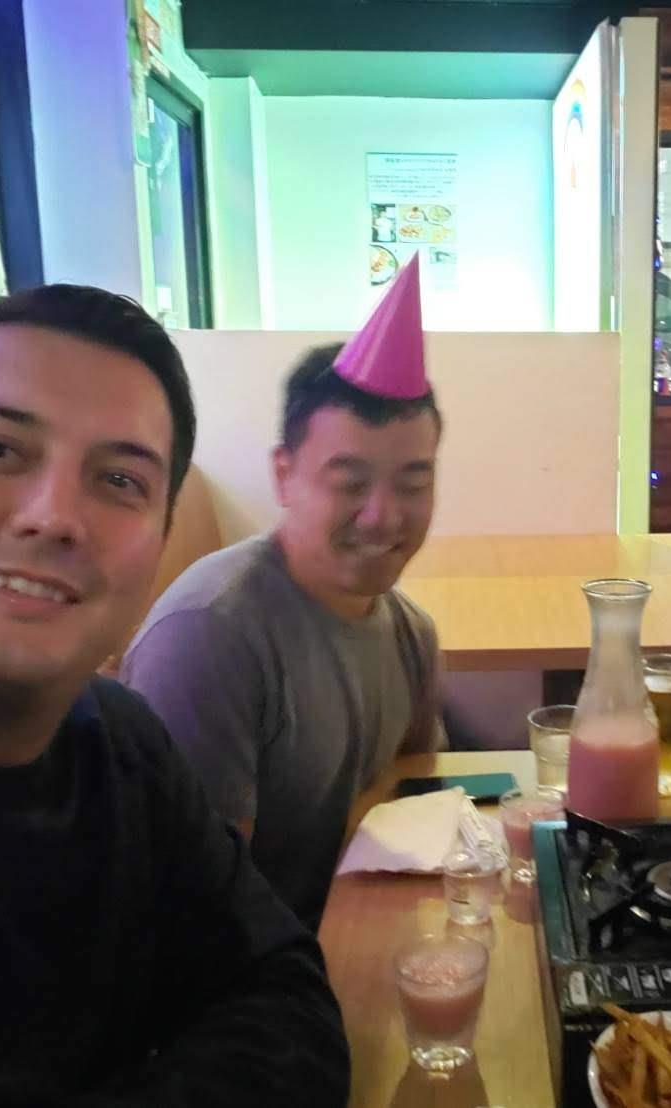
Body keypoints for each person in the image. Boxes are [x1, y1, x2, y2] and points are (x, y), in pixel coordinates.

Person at [0, 285, 348, 1104]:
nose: (55, 516)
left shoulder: (121, 742)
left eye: (119, 480)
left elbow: (284, 997)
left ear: (159, 545)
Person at [122, 257, 445, 929]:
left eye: (412, 483)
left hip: (359, 936)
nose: (383, 515)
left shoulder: (410, 633)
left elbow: (415, 791)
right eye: (350, 481)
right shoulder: (212, 636)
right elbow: (197, 913)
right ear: (284, 475)